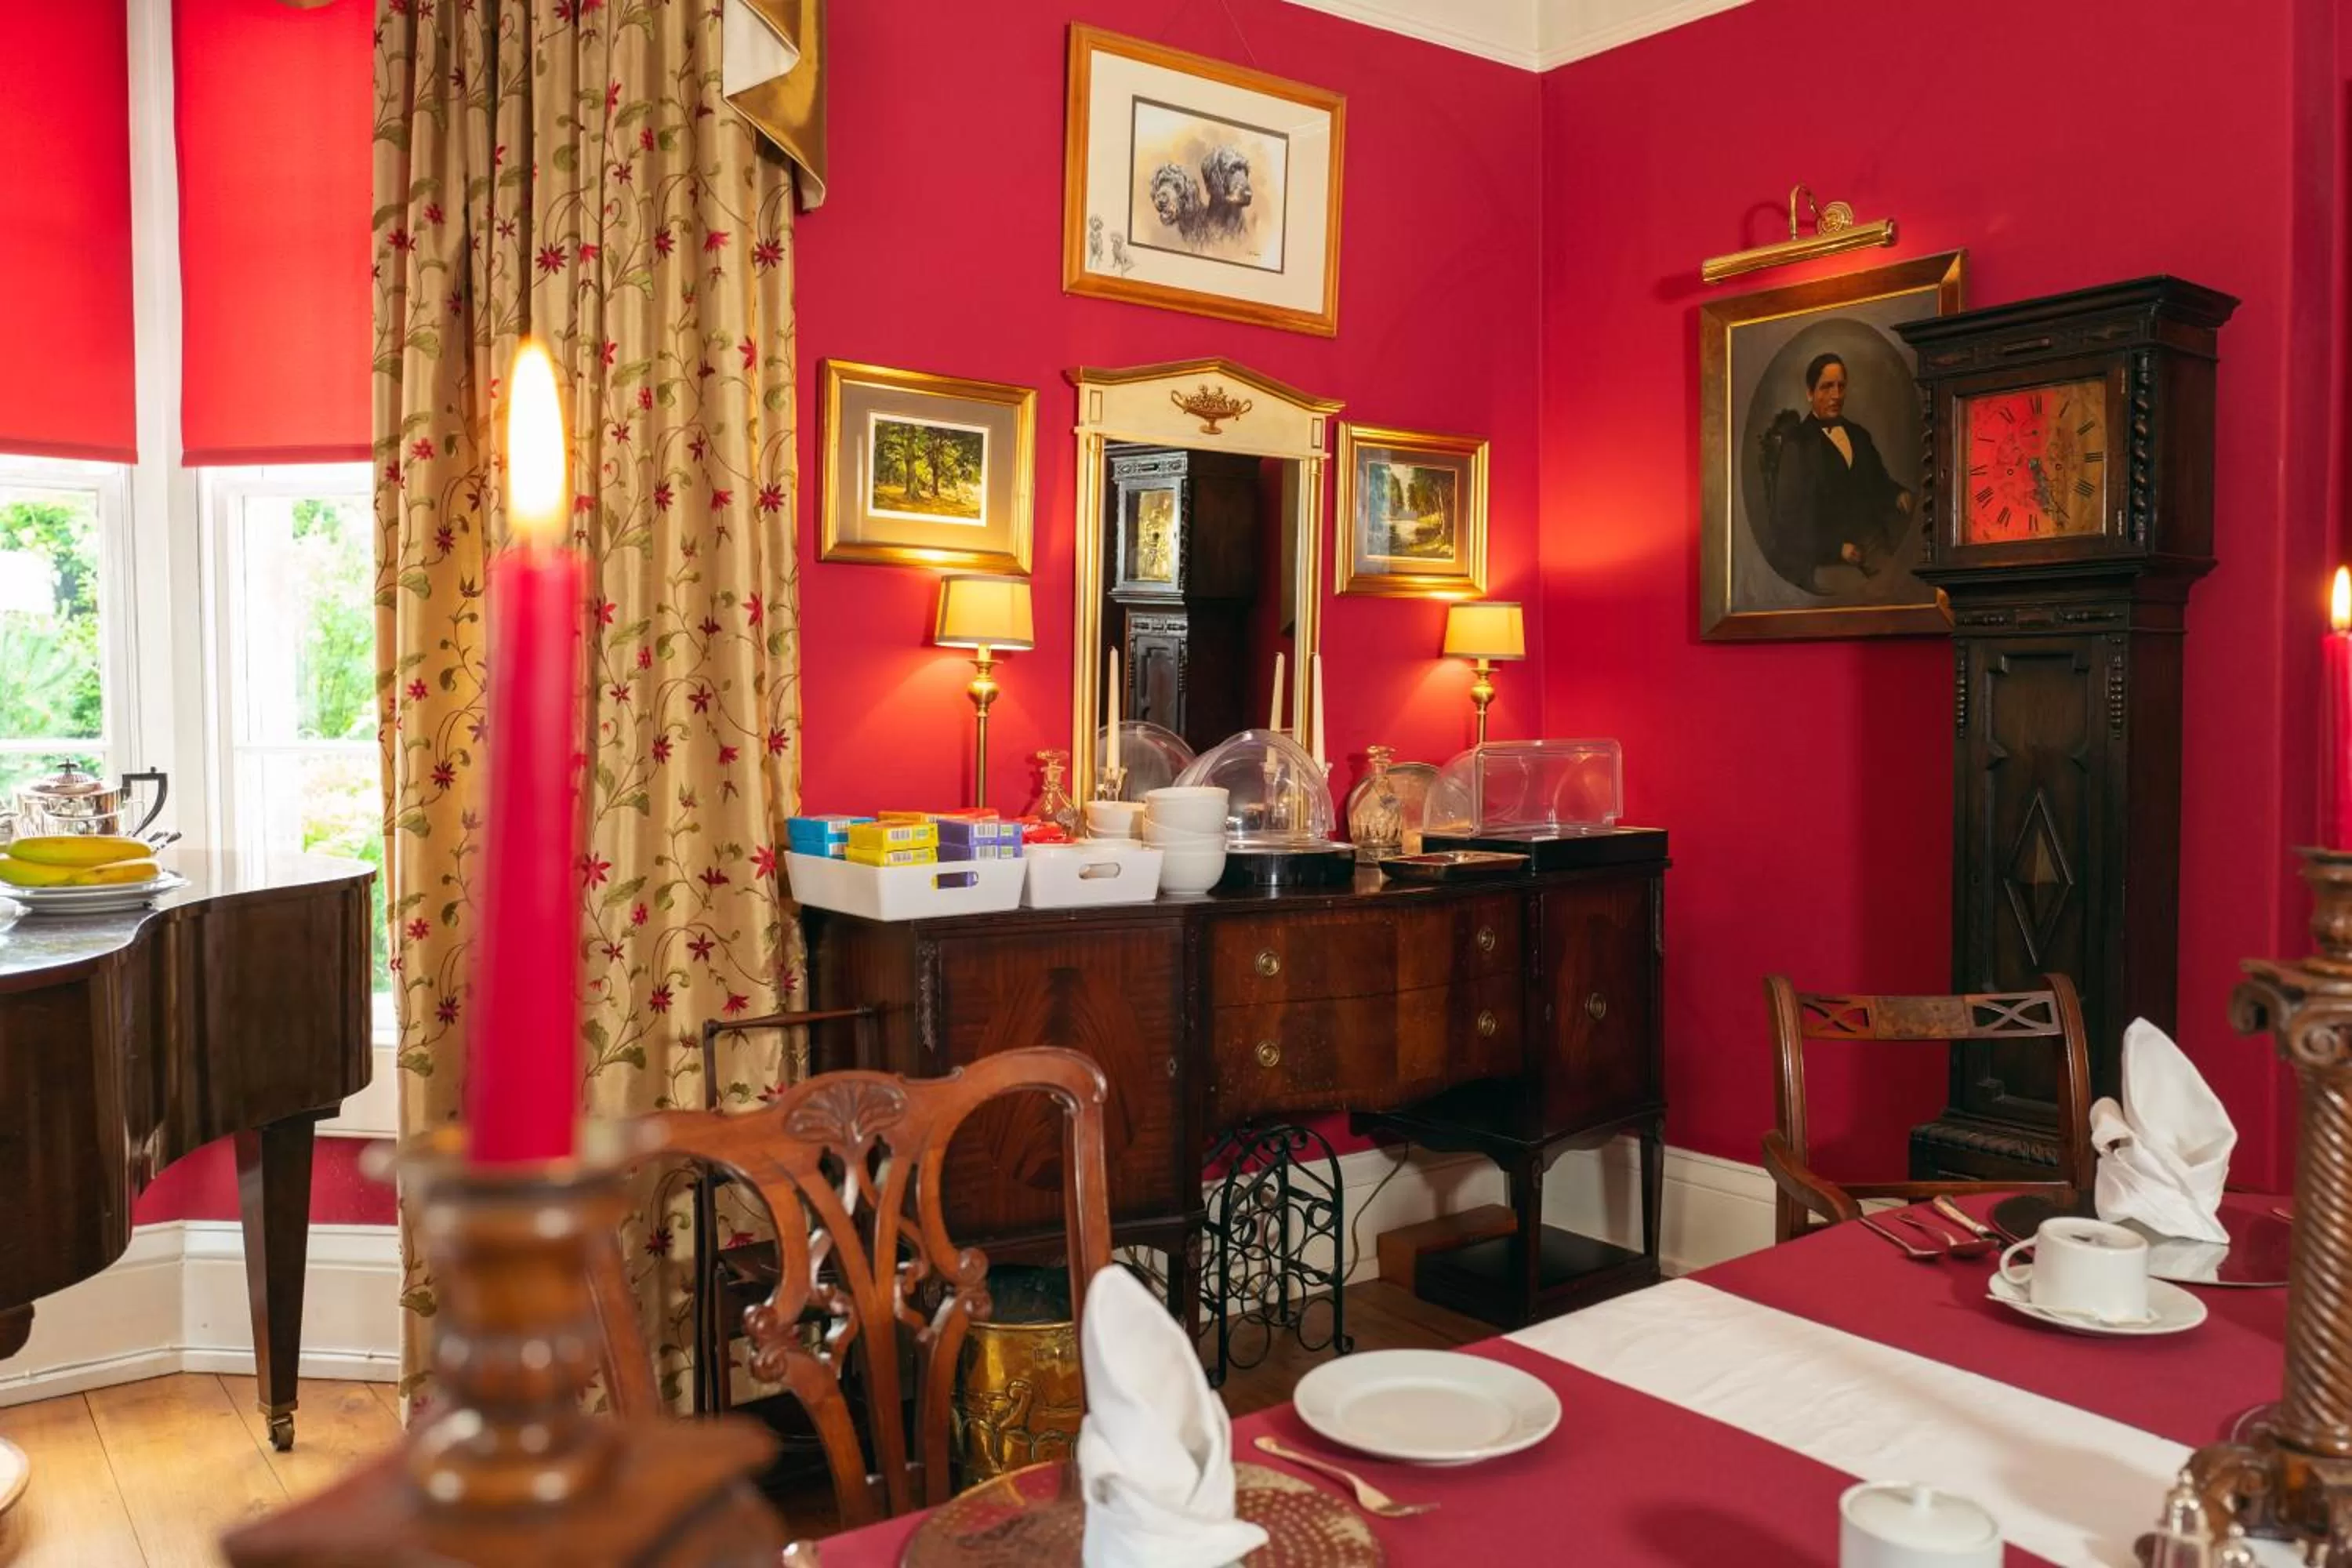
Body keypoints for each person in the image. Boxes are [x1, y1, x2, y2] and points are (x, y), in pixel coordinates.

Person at [1757, 352, 1913, 593]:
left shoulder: (1859, 435)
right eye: (1827, 387)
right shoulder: (1797, 443)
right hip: (1824, 555)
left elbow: (1878, 481)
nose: (1836, 395)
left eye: (1841, 386)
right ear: (1810, 393)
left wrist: (1897, 493)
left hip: (1871, 541)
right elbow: (1790, 519)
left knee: (1902, 583)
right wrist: (1836, 548)